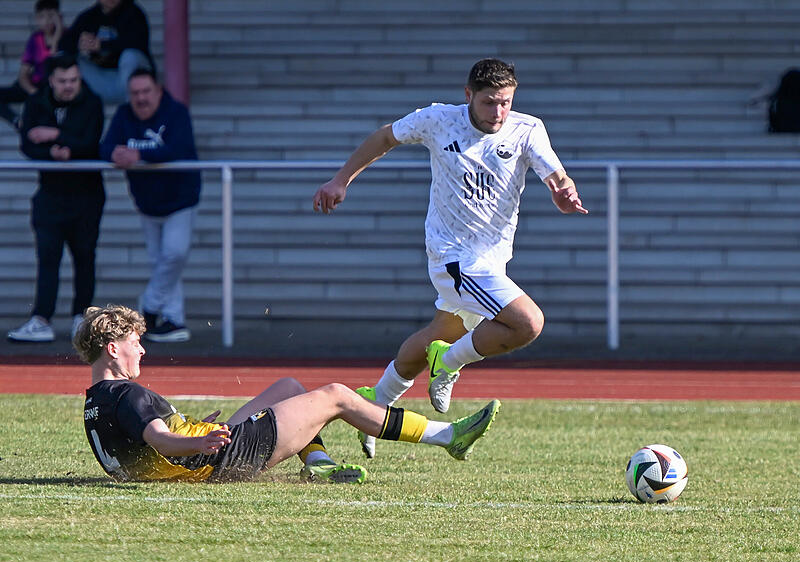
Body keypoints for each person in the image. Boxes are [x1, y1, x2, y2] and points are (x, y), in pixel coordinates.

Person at [312, 58, 586, 458]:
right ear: (468, 96)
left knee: (433, 337)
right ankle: (450, 361)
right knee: (528, 323)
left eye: (506, 102)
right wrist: (341, 180)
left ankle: (374, 404)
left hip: (492, 260)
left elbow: (557, 176)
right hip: (452, 255)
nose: (498, 113)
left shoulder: (528, 128)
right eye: (490, 102)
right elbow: (384, 138)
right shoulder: (438, 119)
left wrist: (564, 193)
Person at [74, 304, 500, 483]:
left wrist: (196, 435)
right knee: (335, 394)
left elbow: (136, 451)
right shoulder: (130, 393)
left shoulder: (97, 398)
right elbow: (160, 440)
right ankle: (447, 436)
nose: (142, 348)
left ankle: (318, 464)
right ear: (113, 348)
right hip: (219, 456)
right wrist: (198, 442)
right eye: (135, 342)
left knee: (290, 388)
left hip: (208, 449)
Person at [8, 53, 105, 343]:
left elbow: (91, 142)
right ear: (51, 80)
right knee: (48, 258)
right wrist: (51, 151)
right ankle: (41, 318)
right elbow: (27, 143)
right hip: (50, 195)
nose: (68, 86)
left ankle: (81, 317)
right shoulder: (37, 102)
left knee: (84, 257)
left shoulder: (92, 101)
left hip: (86, 195)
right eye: (62, 81)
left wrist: (55, 135)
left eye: (73, 80)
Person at [100, 69, 200, 342]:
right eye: (135, 93)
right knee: (161, 263)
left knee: (174, 255)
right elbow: (105, 146)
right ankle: (173, 321)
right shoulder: (123, 115)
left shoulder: (176, 113)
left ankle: (148, 307)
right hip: (146, 203)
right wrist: (115, 153)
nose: (141, 98)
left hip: (180, 200)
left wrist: (139, 153)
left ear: (158, 90)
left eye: (146, 92)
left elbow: (178, 148)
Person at [58, 0, 153, 104]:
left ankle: (132, 108)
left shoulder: (134, 13)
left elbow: (138, 43)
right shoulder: (89, 16)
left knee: (130, 56)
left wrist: (102, 45)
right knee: (66, 59)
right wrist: (79, 44)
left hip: (133, 81)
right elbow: (63, 45)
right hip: (102, 80)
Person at [0, 0, 63, 131]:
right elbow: (23, 73)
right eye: (42, 16)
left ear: (58, 17)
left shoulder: (67, 37)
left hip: (54, 88)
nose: (46, 21)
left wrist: (57, 36)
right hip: (35, 86)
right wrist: (32, 91)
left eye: (51, 16)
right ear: (36, 19)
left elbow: (55, 64)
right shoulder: (35, 39)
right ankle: (17, 121)